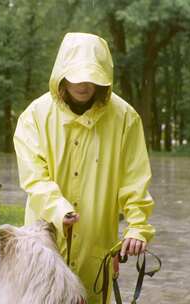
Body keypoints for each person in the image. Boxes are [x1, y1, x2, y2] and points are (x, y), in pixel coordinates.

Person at [13, 32, 155, 303]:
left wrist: (137, 227)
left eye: (92, 75)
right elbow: (34, 176)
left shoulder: (125, 118)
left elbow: (134, 178)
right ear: (62, 74)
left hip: (96, 243)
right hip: (44, 245)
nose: (84, 83)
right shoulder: (34, 116)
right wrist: (58, 208)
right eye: (76, 74)